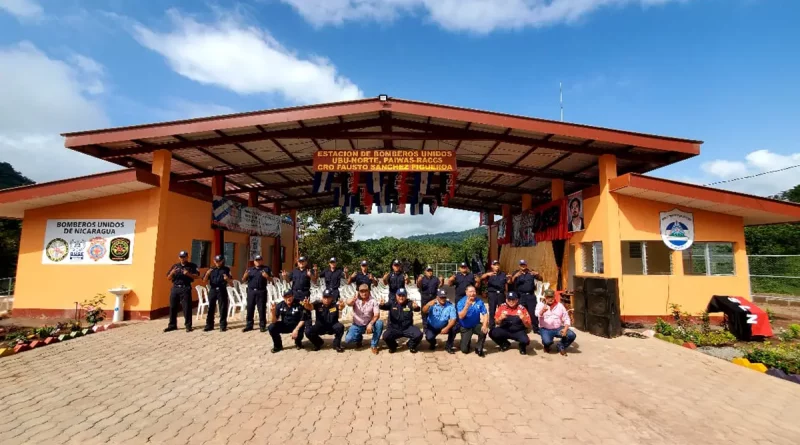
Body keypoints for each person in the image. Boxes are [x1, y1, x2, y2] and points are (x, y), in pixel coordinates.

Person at [165, 251, 200, 332]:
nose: (182, 258)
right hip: (175, 288)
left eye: (184, 257)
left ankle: (188, 325)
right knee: (173, 307)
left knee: (186, 307)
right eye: (181, 257)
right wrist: (172, 273)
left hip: (185, 288)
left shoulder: (192, 266)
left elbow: (197, 276)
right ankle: (172, 325)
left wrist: (188, 274)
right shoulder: (175, 266)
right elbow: (168, 278)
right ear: (179, 257)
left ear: (187, 257)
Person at [343, 283, 384, 354]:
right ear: (359, 292)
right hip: (357, 325)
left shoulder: (373, 301)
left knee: (379, 323)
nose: (364, 293)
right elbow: (348, 303)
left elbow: (377, 315)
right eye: (361, 291)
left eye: (365, 291)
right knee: (348, 340)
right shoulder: (355, 300)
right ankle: (358, 339)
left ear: (369, 291)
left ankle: (374, 345)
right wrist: (351, 301)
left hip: (369, 324)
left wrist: (371, 324)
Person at [379, 288, 423, 353]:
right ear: (396, 296)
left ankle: (411, 345)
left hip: (407, 328)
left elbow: (417, 309)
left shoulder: (409, 303)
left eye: (403, 296)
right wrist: (381, 305)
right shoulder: (392, 302)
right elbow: (384, 307)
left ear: (406, 296)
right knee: (386, 336)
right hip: (394, 328)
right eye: (399, 295)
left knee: (418, 334)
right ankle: (393, 346)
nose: (401, 298)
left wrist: (416, 307)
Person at [536, 289, 576, 356]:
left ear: (554, 297)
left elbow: (566, 318)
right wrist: (542, 311)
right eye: (548, 297)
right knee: (547, 341)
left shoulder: (560, 305)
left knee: (572, 335)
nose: (550, 299)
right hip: (545, 329)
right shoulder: (540, 305)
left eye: (551, 297)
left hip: (558, 328)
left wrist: (565, 329)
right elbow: (537, 314)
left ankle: (561, 345)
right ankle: (546, 345)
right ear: (545, 297)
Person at [456, 285, 489, 357]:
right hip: (465, 327)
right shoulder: (461, 302)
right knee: (464, 350)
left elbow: (485, 314)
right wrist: (467, 306)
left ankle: (479, 348)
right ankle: (465, 341)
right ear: (466, 293)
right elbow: (461, 316)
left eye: (474, 291)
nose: (473, 293)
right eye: (470, 291)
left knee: (483, 330)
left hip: (475, 325)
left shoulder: (479, 301)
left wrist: (484, 325)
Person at [509, 259, 541, 333]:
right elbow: (510, 282)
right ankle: (521, 328)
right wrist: (515, 276)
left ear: (526, 265)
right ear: (519, 266)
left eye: (524, 265)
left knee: (533, 313)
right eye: (521, 265)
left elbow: (540, 279)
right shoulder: (516, 273)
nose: (523, 266)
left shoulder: (531, 273)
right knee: (520, 312)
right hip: (521, 296)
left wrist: (537, 274)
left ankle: (535, 329)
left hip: (530, 295)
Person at [241, 255, 271, 332]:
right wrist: (245, 276)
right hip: (251, 291)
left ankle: (262, 325)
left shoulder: (266, 269)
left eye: (259, 260)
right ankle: (249, 325)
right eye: (256, 260)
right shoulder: (250, 269)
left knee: (261, 309)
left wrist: (266, 276)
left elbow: (271, 280)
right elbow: (243, 280)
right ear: (254, 261)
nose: (258, 262)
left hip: (261, 291)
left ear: (262, 261)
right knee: (250, 308)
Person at [422, 289, 457, 353]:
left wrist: (447, 328)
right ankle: (433, 343)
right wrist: (428, 305)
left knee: (454, 328)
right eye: (441, 297)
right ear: (437, 297)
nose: (443, 299)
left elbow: (453, 320)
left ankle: (448, 346)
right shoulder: (432, 304)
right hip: (432, 327)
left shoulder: (450, 306)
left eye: (444, 297)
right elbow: (424, 311)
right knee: (429, 337)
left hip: (444, 326)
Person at [202, 255, 231, 332]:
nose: (217, 262)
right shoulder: (211, 269)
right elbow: (204, 280)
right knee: (211, 307)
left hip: (222, 289)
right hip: (213, 289)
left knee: (223, 308)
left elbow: (231, 282)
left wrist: (227, 279)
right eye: (216, 261)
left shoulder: (226, 269)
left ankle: (223, 325)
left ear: (222, 261)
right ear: (214, 261)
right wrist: (207, 274)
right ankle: (209, 325)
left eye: (219, 261)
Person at [481, 260, 507, 328]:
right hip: (492, 294)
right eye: (495, 265)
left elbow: (506, 284)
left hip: (501, 294)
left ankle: (502, 324)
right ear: (492, 266)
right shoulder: (489, 274)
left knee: (502, 309)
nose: (497, 266)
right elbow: (481, 278)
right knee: (492, 310)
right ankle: (491, 325)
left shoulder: (503, 274)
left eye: (498, 265)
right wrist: (487, 274)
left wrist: (506, 292)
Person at [416, 266, 440, 330]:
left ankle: (433, 327)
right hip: (425, 298)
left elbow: (439, 285)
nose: (429, 272)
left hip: (433, 297)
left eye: (431, 271)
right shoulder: (422, 279)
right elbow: (418, 286)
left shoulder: (435, 279)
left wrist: (442, 281)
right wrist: (419, 281)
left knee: (434, 312)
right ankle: (425, 328)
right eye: (428, 271)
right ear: (425, 272)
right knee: (424, 312)